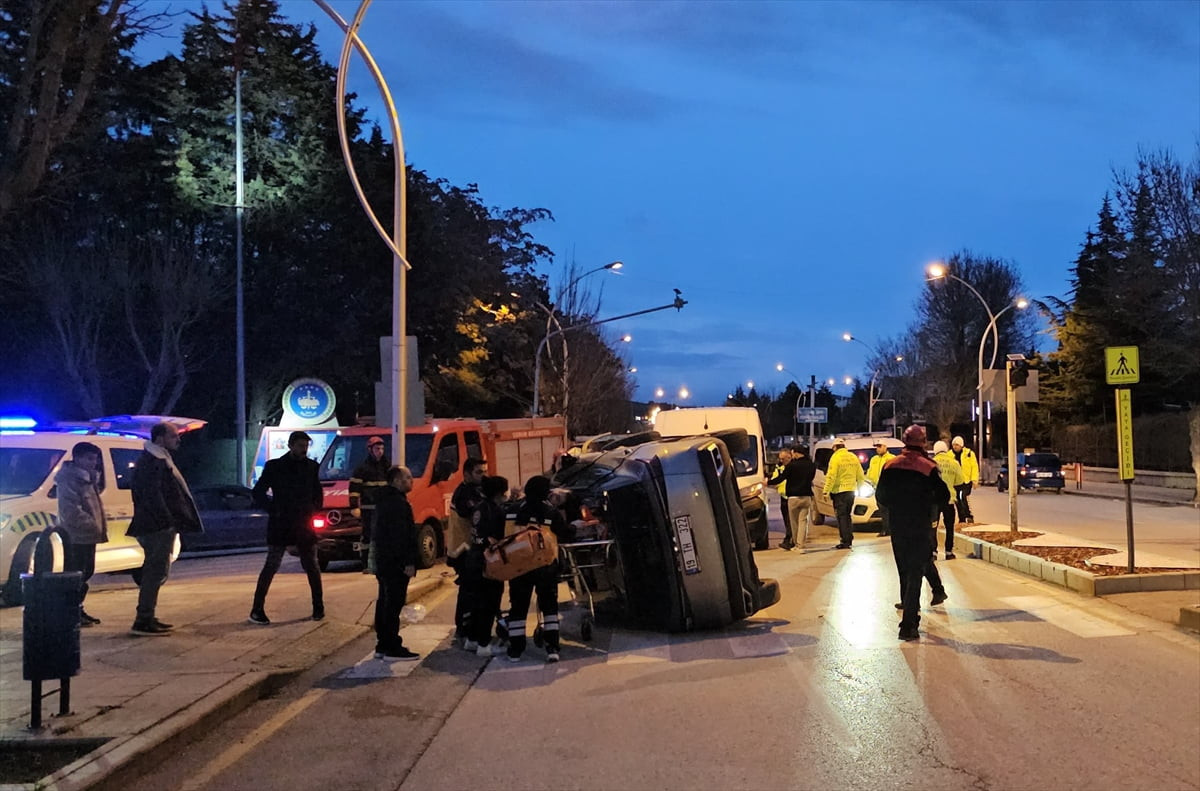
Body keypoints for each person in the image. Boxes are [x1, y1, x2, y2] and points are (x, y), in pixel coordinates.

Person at [875, 425, 951, 641]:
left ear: (904, 441)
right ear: (924, 443)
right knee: (916, 572)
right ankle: (908, 624)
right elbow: (943, 496)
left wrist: (896, 508)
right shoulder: (928, 467)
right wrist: (926, 504)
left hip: (898, 524)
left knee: (904, 571)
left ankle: (910, 617)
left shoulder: (890, 466)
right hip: (920, 524)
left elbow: (881, 495)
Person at [128, 422, 203, 636]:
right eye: (173, 436)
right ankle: (143, 619)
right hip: (157, 526)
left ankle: (147, 616)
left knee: (157, 571)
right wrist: (167, 520)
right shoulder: (154, 461)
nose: (178, 440)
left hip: (159, 524)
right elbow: (153, 496)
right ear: (160, 438)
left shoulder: (159, 459)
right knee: (154, 572)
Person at [249, 430, 324, 625]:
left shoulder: (311, 467)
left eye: (306, 446)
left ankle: (318, 607)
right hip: (282, 523)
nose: (304, 450)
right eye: (300, 446)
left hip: (302, 523)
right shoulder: (275, 467)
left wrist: (313, 509)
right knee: (272, 565)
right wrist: (274, 509)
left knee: (312, 566)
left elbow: (317, 492)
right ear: (291, 445)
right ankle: (257, 609)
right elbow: (258, 492)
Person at [505, 475, 573, 663]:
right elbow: (565, 533)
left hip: (519, 567)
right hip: (545, 566)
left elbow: (503, 536)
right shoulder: (550, 512)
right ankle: (552, 647)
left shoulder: (512, 510)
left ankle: (516, 649)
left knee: (518, 608)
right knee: (549, 607)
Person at [370, 466, 421, 661]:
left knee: (384, 601)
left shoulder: (384, 501)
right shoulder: (397, 504)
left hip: (384, 561)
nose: (411, 480)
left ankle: (383, 644)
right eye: (408, 477)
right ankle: (392, 646)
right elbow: (401, 537)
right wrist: (408, 561)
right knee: (393, 604)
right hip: (395, 563)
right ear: (397, 481)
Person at [55, 441, 108, 626]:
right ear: (77, 458)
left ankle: (77, 609)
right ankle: (69, 612)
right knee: (76, 574)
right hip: (76, 536)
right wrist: (93, 524)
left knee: (86, 572)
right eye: (89, 458)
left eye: (95, 459)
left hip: (88, 535)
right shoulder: (69, 479)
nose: (93, 463)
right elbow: (71, 510)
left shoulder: (89, 479)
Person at [464, 475, 510, 657]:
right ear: (499, 493)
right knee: (489, 603)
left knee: (476, 602)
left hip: (474, 558)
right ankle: (484, 644)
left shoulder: (478, 507)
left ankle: (472, 639)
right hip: (489, 562)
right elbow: (499, 538)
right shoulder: (496, 511)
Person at [449, 457, 486, 642]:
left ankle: (468, 626)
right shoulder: (465, 494)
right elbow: (475, 514)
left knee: (471, 590)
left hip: (467, 549)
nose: (483, 475)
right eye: (479, 472)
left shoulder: (473, 491)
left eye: (484, 471)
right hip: (463, 550)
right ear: (467, 474)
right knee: (468, 592)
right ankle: (464, 628)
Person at [349, 436, 390, 568]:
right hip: (368, 509)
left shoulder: (387, 467)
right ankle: (366, 563)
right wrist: (354, 506)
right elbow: (354, 489)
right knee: (367, 536)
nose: (380, 451)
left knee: (383, 535)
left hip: (383, 508)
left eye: (382, 448)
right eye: (377, 448)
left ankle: (382, 562)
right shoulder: (362, 468)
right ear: (370, 450)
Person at [769, 445, 817, 551]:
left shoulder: (791, 466)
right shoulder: (811, 465)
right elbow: (811, 478)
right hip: (806, 496)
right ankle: (801, 545)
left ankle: (796, 544)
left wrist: (768, 482)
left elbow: (781, 478)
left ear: (795, 453)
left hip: (793, 497)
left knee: (794, 523)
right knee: (803, 522)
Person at [823, 437, 863, 549]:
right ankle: (849, 538)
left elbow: (831, 476)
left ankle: (845, 540)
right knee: (847, 515)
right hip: (851, 491)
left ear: (835, 447)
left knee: (841, 516)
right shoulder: (853, 457)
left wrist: (826, 491)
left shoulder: (835, 458)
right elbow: (860, 475)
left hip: (839, 492)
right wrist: (859, 488)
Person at [931, 440, 964, 559]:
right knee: (949, 527)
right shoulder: (954, 463)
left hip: (934, 501)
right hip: (949, 500)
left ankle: (933, 552)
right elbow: (960, 481)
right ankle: (949, 552)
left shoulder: (931, 463)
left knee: (933, 527)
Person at [867, 439, 896, 537]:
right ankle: (886, 529)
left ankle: (889, 529)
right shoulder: (874, 459)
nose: (878, 449)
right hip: (877, 488)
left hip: (889, 488)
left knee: (890, 510)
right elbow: (870, 473)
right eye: (877, 447)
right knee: (882, 510)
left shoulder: (892, 458)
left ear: (885, 447)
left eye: (880, 446)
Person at [767, 448, 793, 549]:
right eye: (780, 458)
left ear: (789, 456)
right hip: (783, 497)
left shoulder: (793, 467)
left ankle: (789, 540)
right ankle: (789, 539)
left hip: (792, 496)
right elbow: (775, 480)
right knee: (787, 520)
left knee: (791, 521)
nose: (781, 460)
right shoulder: (778, 468)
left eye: (783, 458)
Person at [951, 436, 979, 526]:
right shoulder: (949, 455)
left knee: (963, 497)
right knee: (957, 500)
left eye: (957, 445)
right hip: (955, 482)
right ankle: (961, 519)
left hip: (966, 482)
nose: (955, 447)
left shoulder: (969, 454)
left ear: (961, 445)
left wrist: (974, 480)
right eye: (953, 445)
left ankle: (968, 515)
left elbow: (974, 467)